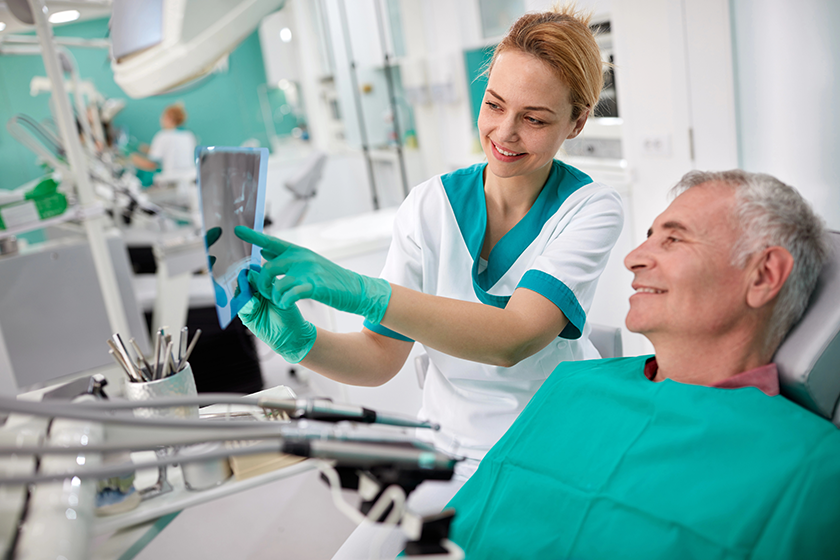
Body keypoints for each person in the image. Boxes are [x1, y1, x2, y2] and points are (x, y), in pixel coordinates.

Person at [235, 5, 623, 556]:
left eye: (535, 119)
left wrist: (363, 290)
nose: (505, 133)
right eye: (494, 105)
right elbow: (379, 358)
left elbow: (514, 337)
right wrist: (301, 343)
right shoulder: (430, 205)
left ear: (576, 123)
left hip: (545, 453)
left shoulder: (590, 208)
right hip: (444, 452)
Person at [445, 169, 840, 559]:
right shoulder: (573, 385)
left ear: (763, 276)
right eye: (649, 238)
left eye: (673, 239)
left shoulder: (811, 467)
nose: (633, 259)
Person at [131, 103, 197, 180]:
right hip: (191, 177)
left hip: (173, 180)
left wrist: (130, 157)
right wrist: (140, 147)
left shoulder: (163, 136)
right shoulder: (189, 135)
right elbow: (168, 151)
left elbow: (151, 164)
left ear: (168, 118)